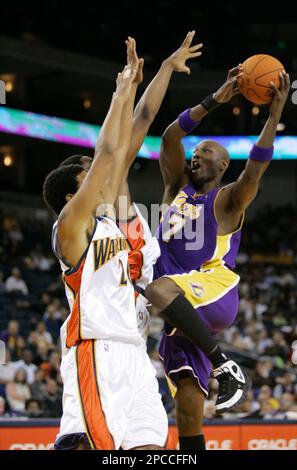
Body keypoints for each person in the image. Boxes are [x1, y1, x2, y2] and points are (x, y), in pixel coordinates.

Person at [145, 67, 290, 449]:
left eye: (205, 152)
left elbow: (256, 169)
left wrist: (273, 117)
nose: (195, 155)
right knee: (188, 401)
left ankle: (227, 365)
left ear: (223, 165)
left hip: (211, 289)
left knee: (155, 288)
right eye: (195, 152)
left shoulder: (226, 200)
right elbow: (170, 135)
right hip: (182, 306)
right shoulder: (176, 188)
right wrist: (214, 99)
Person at [43, 45, 168, 451]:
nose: (102, 181)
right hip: (97, 350)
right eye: (88, 179)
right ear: (68, 196)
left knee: (151, 450)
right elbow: (109, 153)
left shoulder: (109, 219)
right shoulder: (71, 228)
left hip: (136, 354)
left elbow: (135, 133)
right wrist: (121, 91)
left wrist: (143, 79)